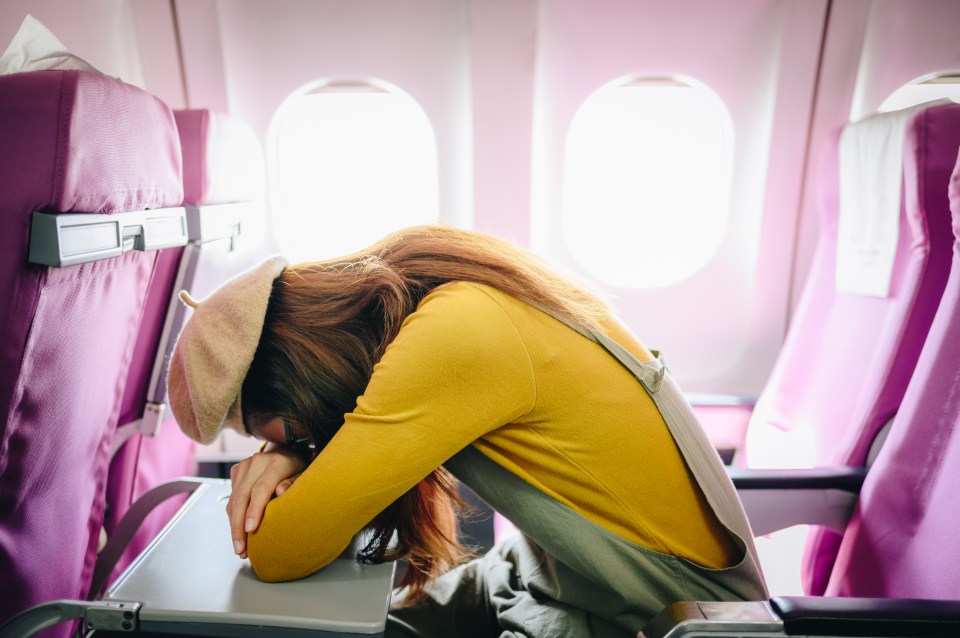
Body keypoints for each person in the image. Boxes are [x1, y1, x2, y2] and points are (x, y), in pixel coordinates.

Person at [167, 225, 767, 638]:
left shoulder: (456, 338)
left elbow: (278, 553)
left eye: (284, 427)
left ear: (299, 382)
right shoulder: (437, 292)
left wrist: (294, 459)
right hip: (552, 573)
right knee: (386, 623)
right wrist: (295, 453)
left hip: (659, 614)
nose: (290, 440)